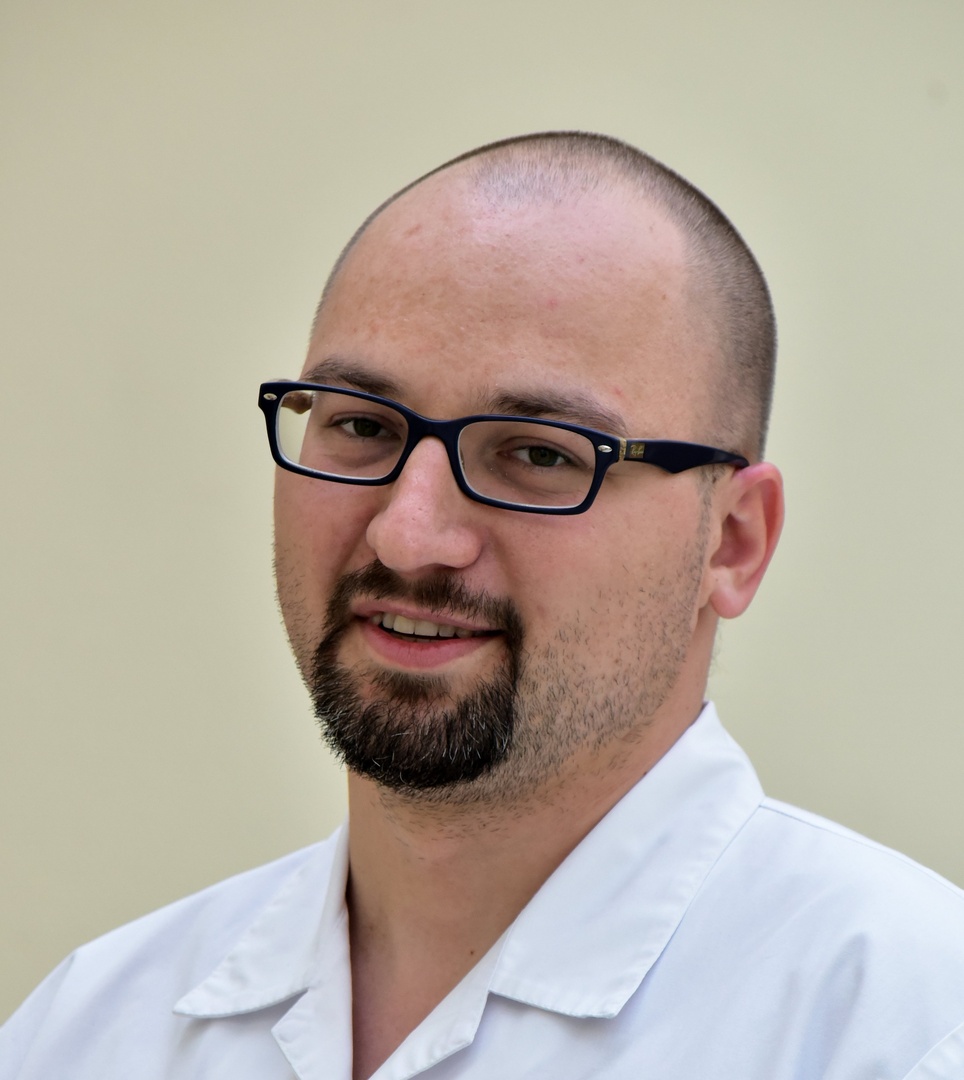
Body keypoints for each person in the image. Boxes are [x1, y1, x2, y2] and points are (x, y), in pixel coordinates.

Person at [2, 132, 963, 1080]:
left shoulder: (904, 1031)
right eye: (361, 426)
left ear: (733, 541)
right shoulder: (87, 1034)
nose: (408, 534)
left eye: (541, 453)